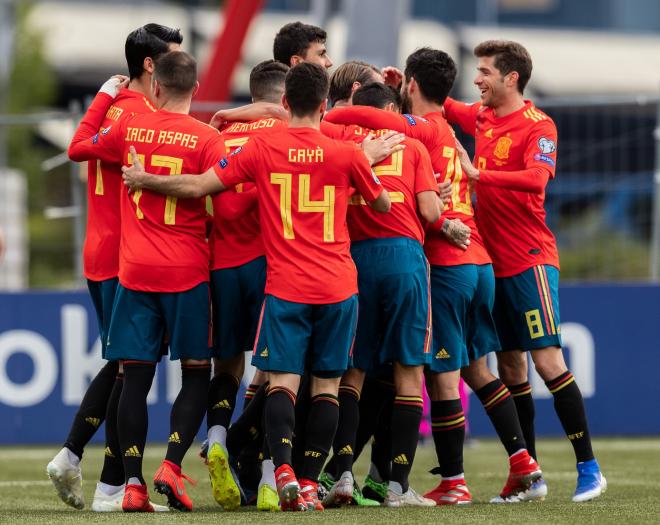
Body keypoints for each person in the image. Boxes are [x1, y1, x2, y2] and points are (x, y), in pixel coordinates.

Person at [121, 63, 402, 512]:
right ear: (325, 105)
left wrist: (144, 180)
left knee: (282, 385)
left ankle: (283, 468)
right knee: (327, 387)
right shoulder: (345, 154)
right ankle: (308, 483)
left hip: (286, 285)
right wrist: (367, 162)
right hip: (337, 286)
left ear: (286, 104)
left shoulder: (262, 148)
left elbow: (198, 186)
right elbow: (383, 205)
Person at [325, 47, 545, 505]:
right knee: (473, 369)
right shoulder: (448, 132)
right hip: (477, 258)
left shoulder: (418, 130)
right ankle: (524, 462)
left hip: (443, 263)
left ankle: (454, 481)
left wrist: (333, 110)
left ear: (409, 87)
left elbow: (383, 124)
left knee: (437, 377)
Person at [447, 39, 606, 503]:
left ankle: (589, 468)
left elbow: (537, 179)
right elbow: (443, 107)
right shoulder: (481, 117)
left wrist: (478, 176)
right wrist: (403, 89)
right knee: (511, 365)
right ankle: (529, 476)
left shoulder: (540, 125)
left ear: (511, 77)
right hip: (489, 265)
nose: (477, 79)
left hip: (530, 260)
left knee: (547, 361)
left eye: (484, 71)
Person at [68, 50, 226, 512]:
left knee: (133, 379)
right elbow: (223, 202)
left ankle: (131, 484)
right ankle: (172, 463)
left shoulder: (129, 129)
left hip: (134, 272)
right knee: (197, 374)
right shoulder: (207, 138)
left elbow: (79, 147)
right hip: (187, 272)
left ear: (155, 87)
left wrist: (103, 96)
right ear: (196, 90)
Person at [47, 23, 181, 513]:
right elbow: (81, 148)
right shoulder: (144, 116)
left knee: (125, 365)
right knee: (133, 366)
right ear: (151, 65)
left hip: (101, 254)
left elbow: (80, 144)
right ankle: (102, 476)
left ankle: (92, 470)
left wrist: (102, 98)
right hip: (130, 260)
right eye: (173, 58)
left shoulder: (119, 110)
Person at [320, 82, 441, 509]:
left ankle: (344, 476)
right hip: (404, 259)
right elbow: (430, 213)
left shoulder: (338, 139)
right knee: (409, 372)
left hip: (354, 262)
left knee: (351, 374)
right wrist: (439, 203)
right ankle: (397, 487)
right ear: (390, 109)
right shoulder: (412, 147)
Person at [205, 59, 289, 513]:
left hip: (221, 264)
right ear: (282, 97)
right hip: (266, 262)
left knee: (228, 367)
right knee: (278, 369)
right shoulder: (280, 136)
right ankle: (269, 476)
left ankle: (217, 437)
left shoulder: (219, 136)